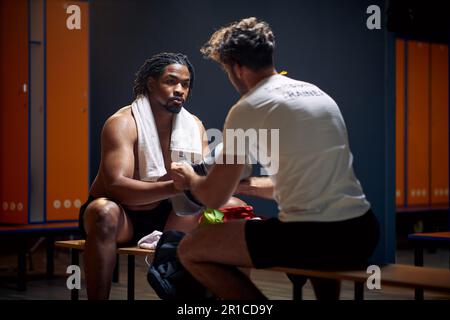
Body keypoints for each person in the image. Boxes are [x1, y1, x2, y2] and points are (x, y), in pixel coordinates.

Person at [171, 17, 380, 300]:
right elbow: (300, 184)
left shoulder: (248, 107)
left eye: (226, 70)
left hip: (312, 238)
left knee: (190, 249)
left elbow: (214, 199)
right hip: (361, 233)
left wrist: (190, 178)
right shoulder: (318, 94)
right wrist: (244, 185)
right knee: (315, 248)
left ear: (237, 68)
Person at [79, 52, 210, 300]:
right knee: (103, 212)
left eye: (185, 84)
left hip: (167, 215)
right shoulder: (122, 123)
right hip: (121, 217)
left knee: (224, 211)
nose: (179, 89)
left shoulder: (194, 126)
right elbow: (116, 186)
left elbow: (201, 182)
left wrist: (213, 183)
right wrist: (178, 186)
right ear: (151, 83)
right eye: (171, 81)